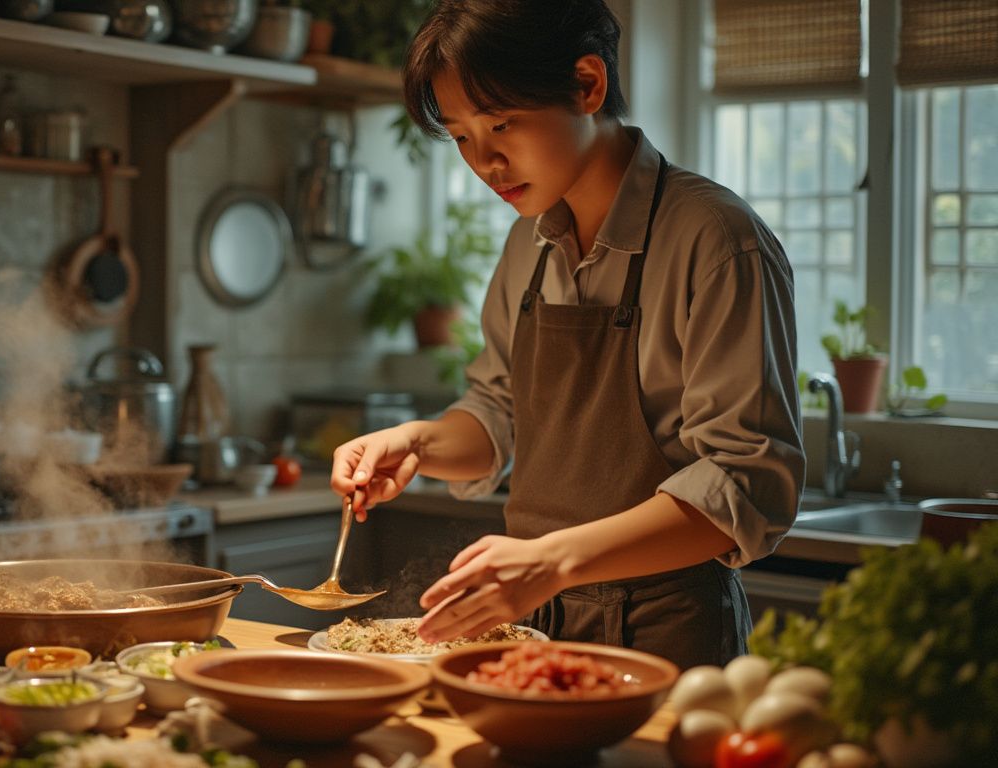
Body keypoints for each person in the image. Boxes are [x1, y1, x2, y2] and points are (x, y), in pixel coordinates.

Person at [329, 0, 805, 669]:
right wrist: (416, 442)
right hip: (532, 627)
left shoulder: (717, 240)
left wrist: (552, 560)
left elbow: (747, 484)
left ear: (588, 85)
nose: (484, 161)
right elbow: (500, 412)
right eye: (462, 136)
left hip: (667, 634)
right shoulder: (529, 240)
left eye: (502, 123)